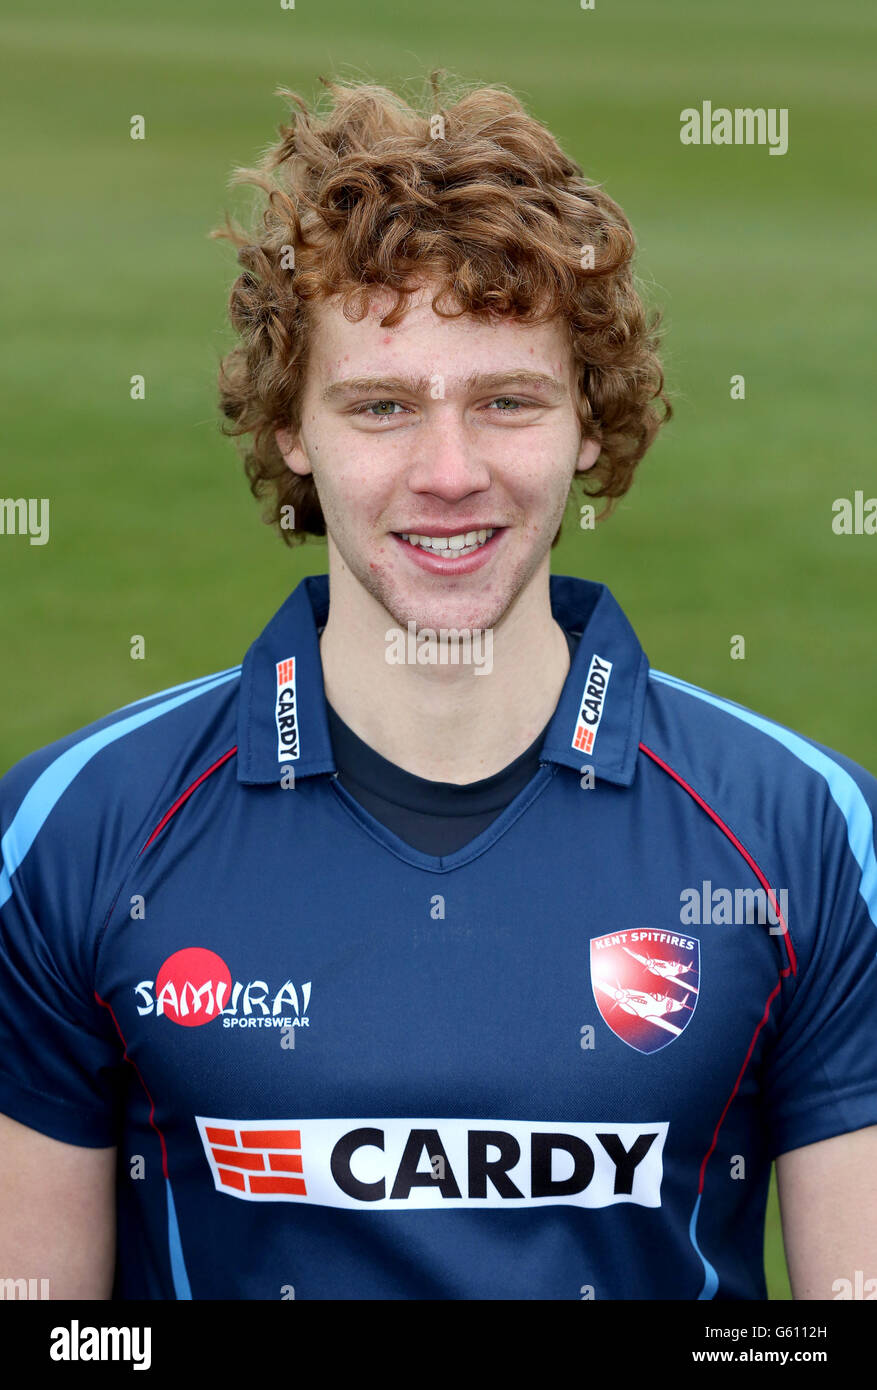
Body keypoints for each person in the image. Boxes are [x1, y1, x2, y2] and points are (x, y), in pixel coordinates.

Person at [0, 76, 875, 1302]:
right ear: (293, 428)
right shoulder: (68, 833)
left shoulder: (811, 835)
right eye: (381, 407)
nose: (448, 472)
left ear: (587, 423)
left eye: (507, 400)